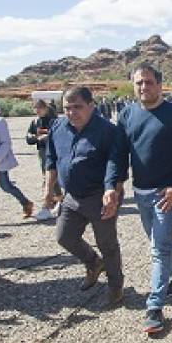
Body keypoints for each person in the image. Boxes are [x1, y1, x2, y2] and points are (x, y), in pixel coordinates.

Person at [117, 63, 172, 333]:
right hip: (140, 192)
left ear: (160, 85)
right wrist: (115, 184)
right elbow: (121, 154)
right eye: (139, 83)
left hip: (167, 193)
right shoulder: (127, 114)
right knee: (159, 240)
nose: (144, 87)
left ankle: (154, 307)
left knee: (158, 249)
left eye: (149, 82)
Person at [45, 86, 126, 305]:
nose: (72, 112)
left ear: (91, 105)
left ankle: (115, 286)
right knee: (64, 237)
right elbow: (52, 160)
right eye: (67, 108)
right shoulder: (58, 127)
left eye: (77, 107)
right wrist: (48, 190)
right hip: (72, 197)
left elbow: (116, 164)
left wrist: (112, 192)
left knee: (107, 244)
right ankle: (93, 262)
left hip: (100, 195)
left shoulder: (108, 130)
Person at [27, 99, 63, 220]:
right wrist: (36, 138)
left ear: (45, 108)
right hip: (42, 151)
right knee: (46, 176)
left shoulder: (53, 120)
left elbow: (58, 134)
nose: (37, 110)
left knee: (51, 176)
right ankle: (58, 199)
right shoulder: (35, 122)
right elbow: (28, 138)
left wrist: (46, 137)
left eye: (39, 108)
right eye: (35, 108)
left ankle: (53, 201)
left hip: (53, 151)